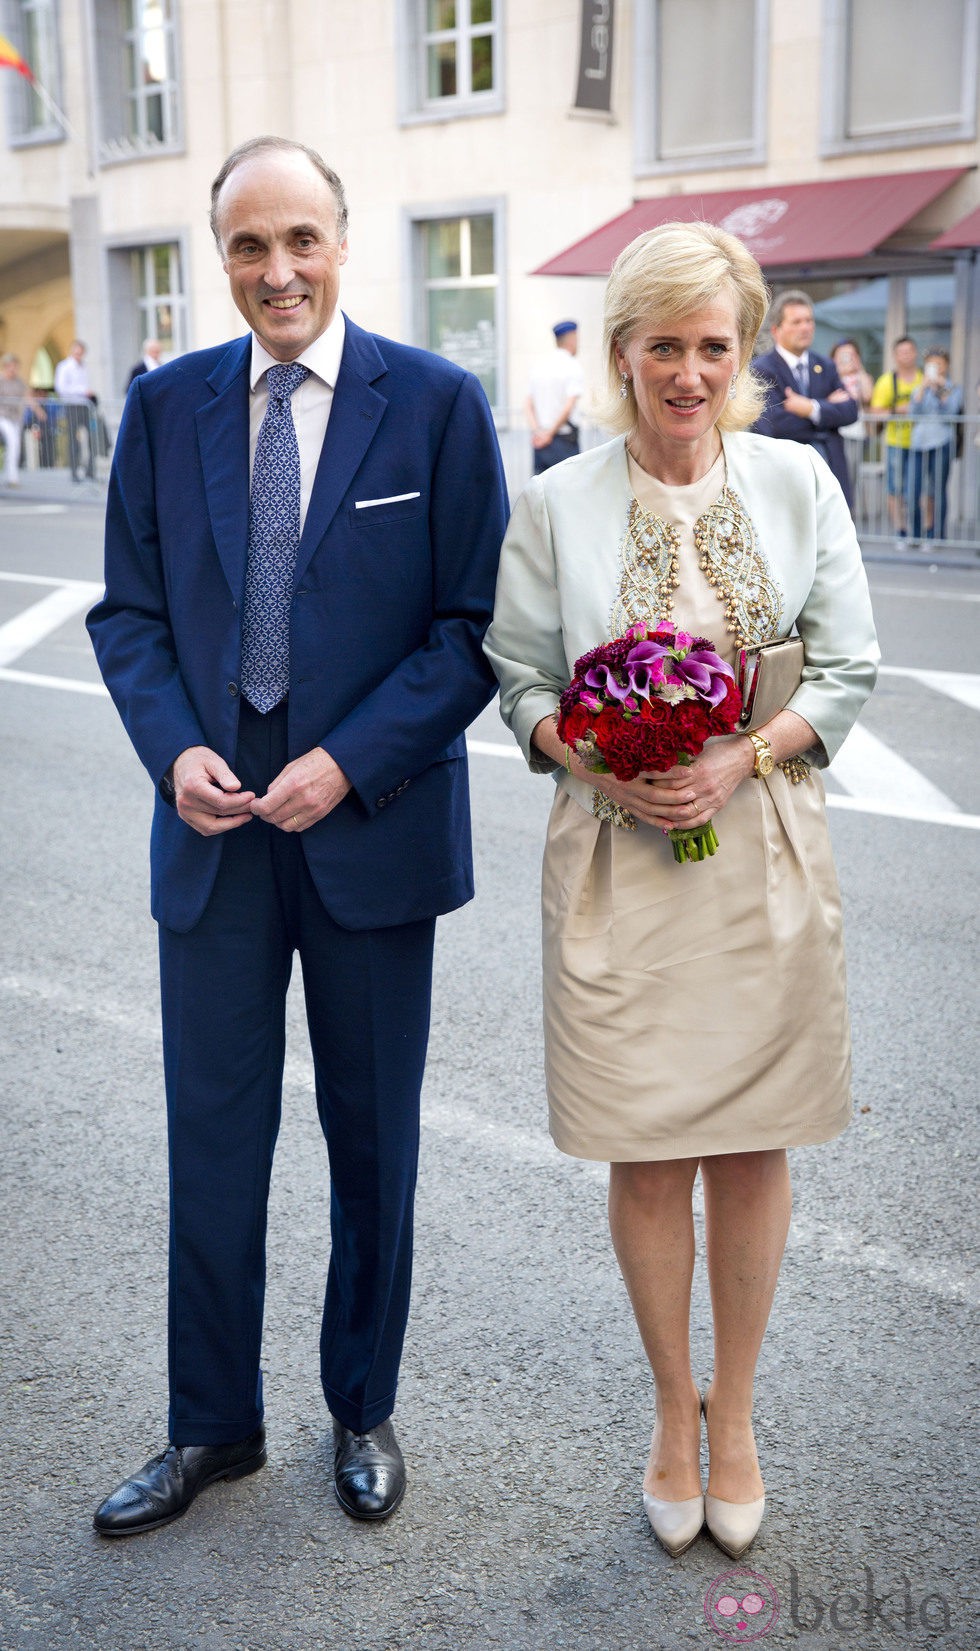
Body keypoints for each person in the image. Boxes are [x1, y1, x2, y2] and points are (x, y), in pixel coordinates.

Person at [86, 135, 508, 1537]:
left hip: (369, 821)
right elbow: (129, 617)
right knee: (212, 1135)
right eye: (249, 247)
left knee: (370, 1135)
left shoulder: (438, 407)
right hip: (213, 826)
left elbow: (468, 636)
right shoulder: (162, 407)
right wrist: (173, 749)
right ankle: (212, 1424)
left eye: (301, 240)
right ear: (223, 257)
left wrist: (348, 757)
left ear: (344, 236)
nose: (278, 271)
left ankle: (361, 1405)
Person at [484, 221, 878, 1562]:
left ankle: (742, 1412)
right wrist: (592, 748)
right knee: (648, 1146)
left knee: (753, 1138)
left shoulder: (800, 485)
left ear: (746, 350)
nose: (690, 370)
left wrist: (742, 757)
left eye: (715, 344)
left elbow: (847, 672)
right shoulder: (555, 502)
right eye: (664, 344)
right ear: (622, 353)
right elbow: (522, 681)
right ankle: (670, 1409)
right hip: (616, 862)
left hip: (758, 847)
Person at [751, 290, 858, 509]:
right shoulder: (762, 369)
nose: (805, 327)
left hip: (829, 470)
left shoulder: (825, 365)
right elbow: (774, 424)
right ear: (776, 330)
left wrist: (809, 408)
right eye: (797, 322)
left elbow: (850, 411)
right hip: (784, 475)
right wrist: (827, 415)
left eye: (809, 321)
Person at [869, 336, 922, 546]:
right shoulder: (886, 381)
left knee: (918, 490)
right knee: (895, 488)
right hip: (896, 442)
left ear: (916, 353)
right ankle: (900, 531)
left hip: (921, 444)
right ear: (895, 356)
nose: (906, 356)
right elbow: (875, 411)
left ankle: (919, 533)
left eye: (910, 351)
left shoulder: (923, 379)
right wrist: (898, 410)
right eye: (902, 352)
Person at [907, 348, 962, 543]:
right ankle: (914, 535)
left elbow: (952, 411)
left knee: (937, 491)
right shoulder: (919, 388)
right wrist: (923, 388)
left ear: (946, 366)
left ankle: (936, 535)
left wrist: (940, 389)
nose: (936, 368)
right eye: (932, 364)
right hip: (919, 444)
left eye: (939, 364)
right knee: (912, 490)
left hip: (942, 443)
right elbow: (912, 413)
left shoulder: (953, 388)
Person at [525, 319, 585, 472]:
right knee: (568, 491)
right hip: (563, 441)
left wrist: (538, 432)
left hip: (540, 441)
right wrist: (549, 434)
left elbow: (527, 404)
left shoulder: (539, 366)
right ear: (572, 338)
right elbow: (568, 407)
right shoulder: (572, 366)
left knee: (541, 492)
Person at [830, 338, 874, 508]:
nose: (847, 359)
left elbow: (868, 395)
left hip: (855, 433)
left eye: (851, 355)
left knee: (849, 480)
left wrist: (859, 368)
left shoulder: (862, 377)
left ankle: (847, 514)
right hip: (834, 432)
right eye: (842, 355)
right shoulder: (830, 376)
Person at [0, 353, 46, 487]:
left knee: (15, 446)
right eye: (11, 366)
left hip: (15, 418)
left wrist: (39, 411)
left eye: (15, 366)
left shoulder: (19, 382)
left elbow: (28, 397)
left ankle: (11, 477)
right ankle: (12, 477)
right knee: (12, 441)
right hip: (3, 417)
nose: (13, 369)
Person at [53, 339, 95, 481]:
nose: (79, 355)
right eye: (76, 352)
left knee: (91, 439)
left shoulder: (84, 366)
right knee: (73, 440)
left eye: (81, 352)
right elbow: (61, 388)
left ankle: (90, 471)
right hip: (72, 406)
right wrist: (82, 391)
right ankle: (74, 473)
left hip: (85, 406)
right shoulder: (64, 367)